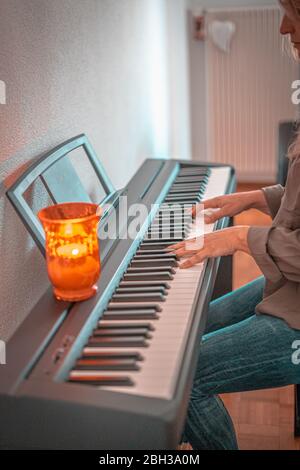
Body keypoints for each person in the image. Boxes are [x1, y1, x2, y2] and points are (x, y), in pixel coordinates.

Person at [168, 0, 300, 450]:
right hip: (290, 288)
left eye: (294, 10)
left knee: (182, 379)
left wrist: (239, 237)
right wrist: (255, 197)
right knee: (187, 332)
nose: (283, 26)